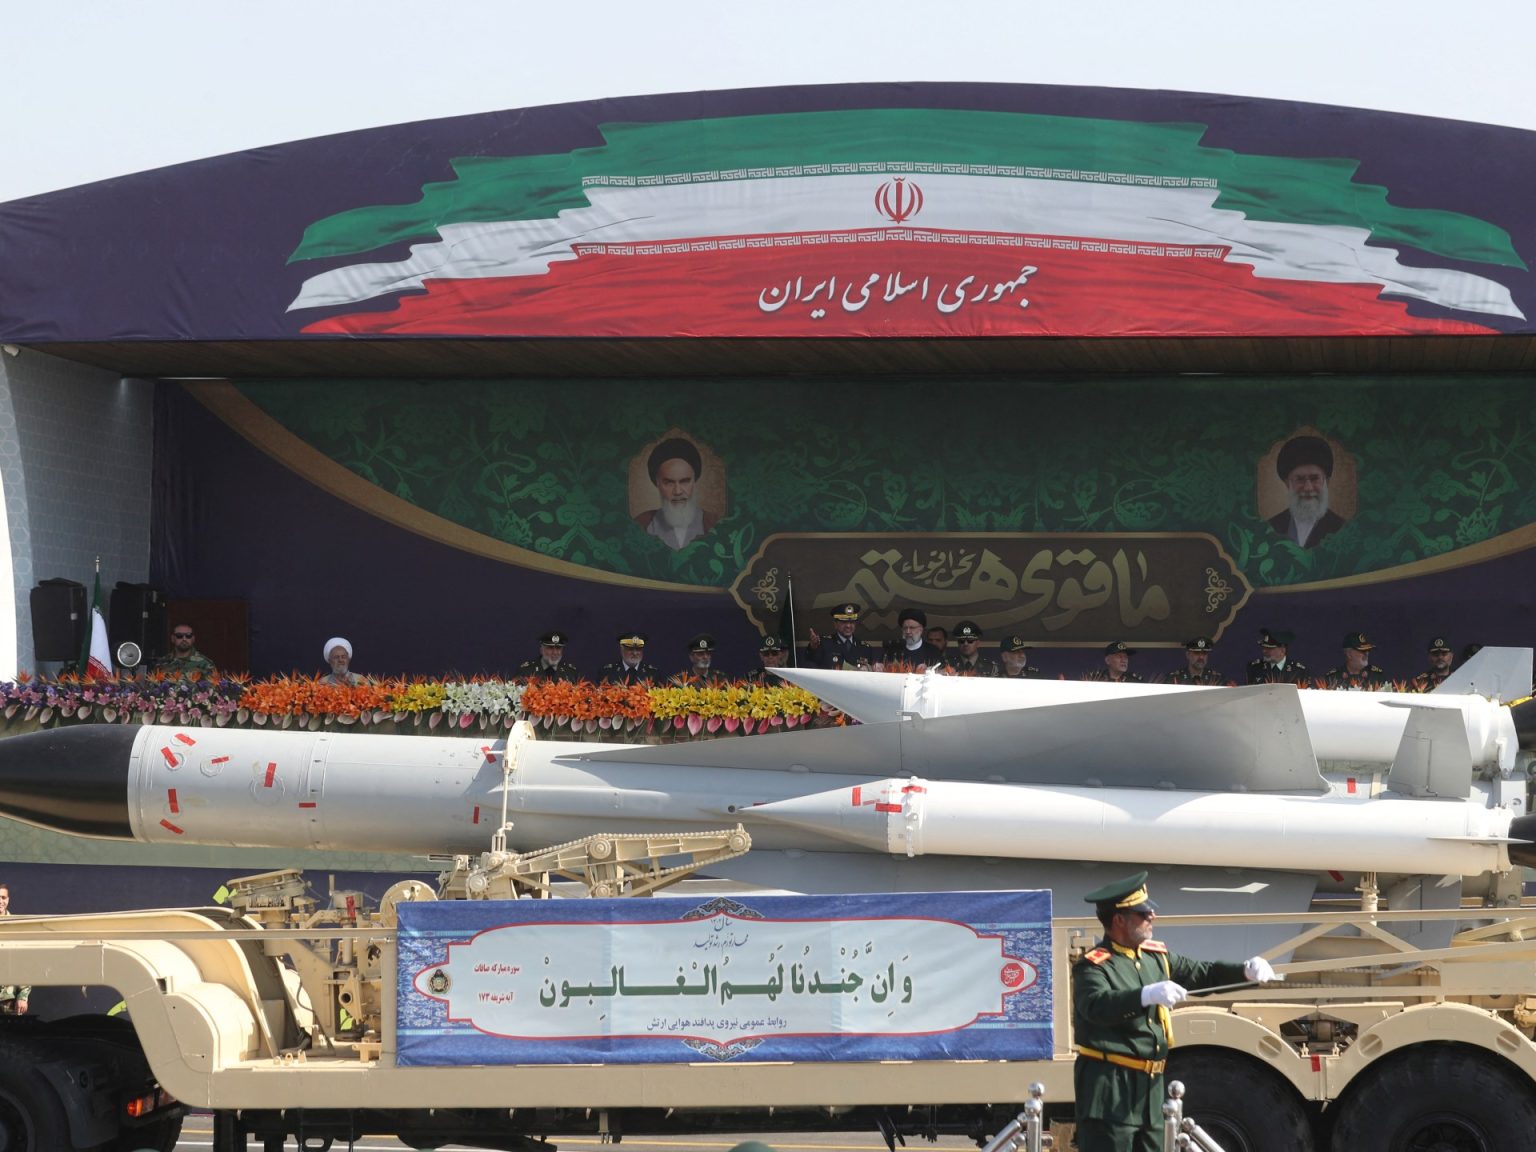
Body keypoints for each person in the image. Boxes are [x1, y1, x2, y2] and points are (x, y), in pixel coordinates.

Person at [1072, 872, 1280, 1152]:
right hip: (1111, 1088)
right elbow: (1096, 1005)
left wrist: (1244, 972)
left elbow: (1202, 974)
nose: (1152, 917)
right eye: (1143, 913)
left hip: (1151, 1088)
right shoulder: (1094, 965)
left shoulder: (1155, 957)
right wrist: (1145, 995)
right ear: (1119, 920)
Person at [633, 437, 719, 551]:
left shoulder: (714, 522)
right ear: (657, 483)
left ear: (694, 481)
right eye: (669, 482)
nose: (678, 491)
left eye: (685, 481)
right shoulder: (642, 523)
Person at [1267, 434, 1346, 549]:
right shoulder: (1271, 527)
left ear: (1326, 481)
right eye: (1299, 479)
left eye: (1315, 479)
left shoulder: (1342, 528)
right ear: (1288, 483)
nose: (1308, 488)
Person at [806, 603, 877, 670]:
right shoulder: (824, 643)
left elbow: (872, 672)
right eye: (844, 622)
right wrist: (813, 648)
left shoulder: (865, 648)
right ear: (835, 624)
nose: (848, 626)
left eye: (851, 622)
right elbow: (811, 660)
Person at [1324, 632, 1389, 691]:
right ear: (1349, 654)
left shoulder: (1377, 677)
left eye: (1368, 650)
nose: (1366, 654)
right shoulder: (1332, 678)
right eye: (1362, 651)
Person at [0, 883, 29, 1016]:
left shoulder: (16, 927)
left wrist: (23, 996)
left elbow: (25, 963)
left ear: (8, 899)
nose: (0, 901)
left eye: (3, 897)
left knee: (9, 1029)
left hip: (8, 1000)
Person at [1246, 628, 1310, 685]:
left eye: (1269, 648)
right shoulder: (1254, 668)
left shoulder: (1299, 671)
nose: (1264, 651)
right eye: (1264, 647)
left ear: (1282, 650)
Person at [517, 630, 581, 682]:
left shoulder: (571, 673)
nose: (555, 652)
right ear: (541, 650)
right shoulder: (526, 672)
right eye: (550, 648)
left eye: (558, 648)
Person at [1163, 637, 1229, 686]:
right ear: (1188, 655)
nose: (1201, 657)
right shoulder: (1175, 678)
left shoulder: (1216, 679)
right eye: (1197, 653)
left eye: (1204, 653)